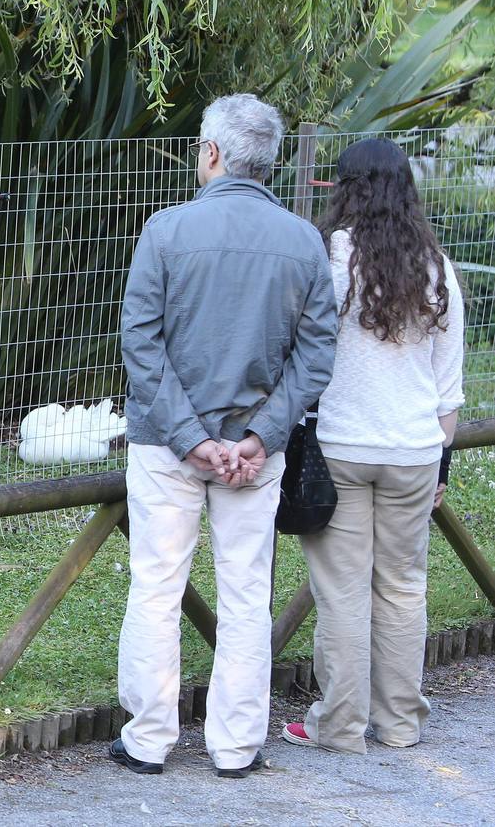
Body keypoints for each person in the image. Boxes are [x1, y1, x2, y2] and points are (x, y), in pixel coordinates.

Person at [112, 94, 338, 779]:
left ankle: (148, 738)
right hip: (252, 451)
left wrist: (188, 437)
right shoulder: (301, 241)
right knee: (246, 595)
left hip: (165, 445)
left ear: (210, 153)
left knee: (155, 585)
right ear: (267, 162)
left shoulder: (165, 231)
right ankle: (234, 744)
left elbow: (140, 343)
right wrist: (261, 435)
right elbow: (317, 351)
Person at [282, 138, 464, 753]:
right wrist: (441, 463)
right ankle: (401, 721)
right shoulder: (436, 269)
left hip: (341, 448)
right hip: (414, 453)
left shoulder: (328, 261)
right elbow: (449, 390)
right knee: (404, 587)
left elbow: (300, 354)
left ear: (345, 188)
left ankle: (340, 725)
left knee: (342, 590)